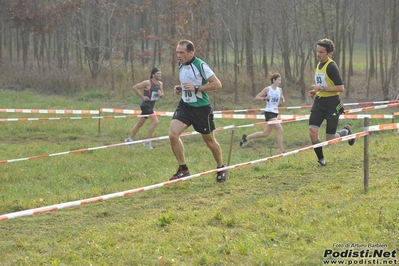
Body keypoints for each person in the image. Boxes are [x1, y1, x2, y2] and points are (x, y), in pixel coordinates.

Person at [168, 39, 228, 183]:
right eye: (177, 52)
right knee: (173, 134)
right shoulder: (181, 65)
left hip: (201, 109)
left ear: (191, 52)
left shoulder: (200, 65)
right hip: (185, 106)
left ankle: (221, 167)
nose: (178, 55)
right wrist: (181, 88)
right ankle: (183, 169)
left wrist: (196, 88)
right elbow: (189, 83)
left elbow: (217, 84)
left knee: (210, 142)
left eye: (182, 53)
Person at [308, 38, 354, 166]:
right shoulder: (318, 65)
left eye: (321, 52)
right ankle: (321, 160)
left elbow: (340, 88)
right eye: (317, 51)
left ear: (329, 53)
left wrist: (321, 88)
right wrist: (315, 92)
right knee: (312, 131)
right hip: (319, 102)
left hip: (332, 104)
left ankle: (346, 131)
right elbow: (323, 84)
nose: (318, 54)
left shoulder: (332, 67)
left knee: (330, 139)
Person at [239, 73, 285, 153]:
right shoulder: (267, 89)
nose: (280, 82)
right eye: (279, 80)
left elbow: (281, 102)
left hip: (275, 112)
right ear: (274, 80)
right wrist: (265, 98)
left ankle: (246, 137)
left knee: (265, 134)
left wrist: (282, 99)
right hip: (269, 112)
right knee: (280, 129)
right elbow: (256, 98)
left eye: (280, 80)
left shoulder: (280, 90)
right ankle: (282, 151)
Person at [125, 67, 164, 150]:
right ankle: (148, 141)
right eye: (158, 73)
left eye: (160, 73)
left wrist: (161, 94)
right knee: (155, 121)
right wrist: (142, 96)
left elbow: (162, 94)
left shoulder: (160, 84)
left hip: (151, 105)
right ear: (153, 75)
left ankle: (130, 139)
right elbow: (135, 87)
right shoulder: (147, 83)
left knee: (140, 124)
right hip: (145, 105)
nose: (159, 75)